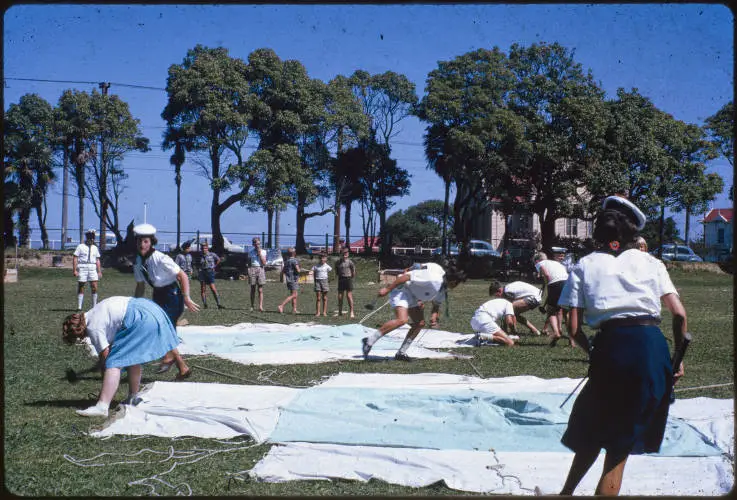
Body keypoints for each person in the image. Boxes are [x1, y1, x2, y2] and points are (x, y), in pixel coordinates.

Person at [557, 195, 688, 496]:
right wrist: (676, 359)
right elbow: (679, 315)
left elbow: (572, 327)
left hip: (610, 345)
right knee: (618, 447)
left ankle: (566, 492)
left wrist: (592, 351)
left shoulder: (584, 265)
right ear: (633, 232)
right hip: (651, 348)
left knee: (592, 429)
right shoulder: (651, 262)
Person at [62, 296, 184, 417]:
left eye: (79, 337)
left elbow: (106, 358)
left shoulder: (93, 327)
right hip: (150, 309)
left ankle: (102, 406)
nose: (83, 338)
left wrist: (105, 389)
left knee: (114, 362)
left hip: (140, 317)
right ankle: (133, 398)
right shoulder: (93, 312)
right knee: (132, 356)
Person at [361, 262, 467, 361]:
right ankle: (369, 340)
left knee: (419, 323)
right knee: (402, 320)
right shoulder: (433, 278)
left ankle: (401, 353)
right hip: (402, 289)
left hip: (413, 296)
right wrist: (387, 289)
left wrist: (434, 318)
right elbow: (406, 277)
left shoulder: (442, 289)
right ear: (453, 281)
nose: (456, 287)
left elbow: (436, 306)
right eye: (457, 284)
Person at [132, 223, 198, 379]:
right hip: (158, 295)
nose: (142, 245)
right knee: (165, 330)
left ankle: (175, 362)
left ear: (152, 242)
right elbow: (140, 285)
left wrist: (187, 297)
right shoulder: (138, 261)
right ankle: (177, 364)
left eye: (146, 241)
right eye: (139, 241)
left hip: (172, 295)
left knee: (161, 328)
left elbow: (182, 275)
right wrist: (135, 304)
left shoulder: (160, 258)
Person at [534, 251, 570, 346]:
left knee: (551, 311)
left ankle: (557, 333)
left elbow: (546, 275)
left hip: (555, 284)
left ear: (537, 260)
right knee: (566, 312)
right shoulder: (555, 263)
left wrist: (547, 285)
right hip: (568, 283)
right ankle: (572, 340)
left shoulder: (539, 263)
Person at [73, 229, 102, 311]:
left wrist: (99, 271)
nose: (92, 239)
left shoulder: (95, 248)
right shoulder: (80, 246)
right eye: (90, 237)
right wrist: (75, 270)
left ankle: (94, 306)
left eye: (93, 237)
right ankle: (79, 307)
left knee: (94, 287)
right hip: (82, 267)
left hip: (92, 268)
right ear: (87, 237)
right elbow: (75, 258)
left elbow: (97, 260)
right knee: (81, 286)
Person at [198, 241, 224, 309]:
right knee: (203, 289)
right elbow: (197, 263)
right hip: (202, 272)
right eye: (203, 248)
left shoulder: (212, 254)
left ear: (207, 248)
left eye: (205, 248)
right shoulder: (199, 255)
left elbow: (218, 259)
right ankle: (205, 304)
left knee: (213, 288)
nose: (204, 249)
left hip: (210, 272)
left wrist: (214, 266)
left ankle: (218, 304)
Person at [278, 247, 301, 314]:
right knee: (294, 295)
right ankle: (281, 305)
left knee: (294, 294)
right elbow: (298, 270)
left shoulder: (287, 261)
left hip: (289, 280)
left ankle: (294, 309)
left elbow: (283, 271)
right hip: (293, 279)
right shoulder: (295, 261)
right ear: (294, 253)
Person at [335, 247, 357, 318]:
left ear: (348, 254)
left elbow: (353, 271)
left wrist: (350, 277)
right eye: (343, 253)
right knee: (340, 296)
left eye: (346, 252)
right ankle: (340, 311)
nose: (345, 254)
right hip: (341, 279)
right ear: (341, 253)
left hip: (348, 279)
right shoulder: (338, 262)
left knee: (349, 296)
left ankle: (352, 312)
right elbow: (337, 271)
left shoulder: (350, 262)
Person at [248, 237, 267, 312]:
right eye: (255, 243)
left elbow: (264, 263)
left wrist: (259, 254)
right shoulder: (250, 252)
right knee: (252, 289)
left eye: (258, 243)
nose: (257, 245)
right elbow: (249, 263)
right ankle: (252, 306)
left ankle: (260, 306)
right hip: (252, 269)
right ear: (253, 244)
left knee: (260, 290)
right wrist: (249, 270)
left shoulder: (263, 252)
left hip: (260, 269)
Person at [311, 252, 332, 317]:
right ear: (319, 259)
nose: (322, 259)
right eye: (321, 258)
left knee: (325, 298)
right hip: (317, 281)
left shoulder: (327, 266)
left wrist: (330, 280)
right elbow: (311, 272)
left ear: (326, 259)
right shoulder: (315, 266)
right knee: (318, 298)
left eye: (324, 258)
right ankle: (318, 312)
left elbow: (331, 272)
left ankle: (324, 312)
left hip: (325, 282)